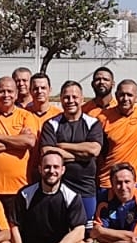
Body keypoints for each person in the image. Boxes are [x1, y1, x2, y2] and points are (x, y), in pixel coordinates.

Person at [0, 75, 39, 219]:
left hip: (20, 186)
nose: (6, 95)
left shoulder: (26, 116)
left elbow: (29, 142)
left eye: (10, 91)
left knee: (17, 229)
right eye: (2, 91)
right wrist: (17, 143)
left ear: (16, 94)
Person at [38, 81, 105, 221]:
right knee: (59, 231)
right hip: (59, 186)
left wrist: (62, 146)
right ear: (61, 99)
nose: (70, 101)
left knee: (87, 234)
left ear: (82, 99)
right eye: (66, 97)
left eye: (74, 97)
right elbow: (48, 153)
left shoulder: (93, 123)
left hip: (86, 187)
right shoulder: (51, 124)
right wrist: (82, 156)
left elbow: (93, 150)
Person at [94, 79, 137, 190]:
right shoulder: (102, 118)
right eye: (122, 95)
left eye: (130, 95)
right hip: (108, 181)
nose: (125, 99)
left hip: (136, 180)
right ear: (116, 95)